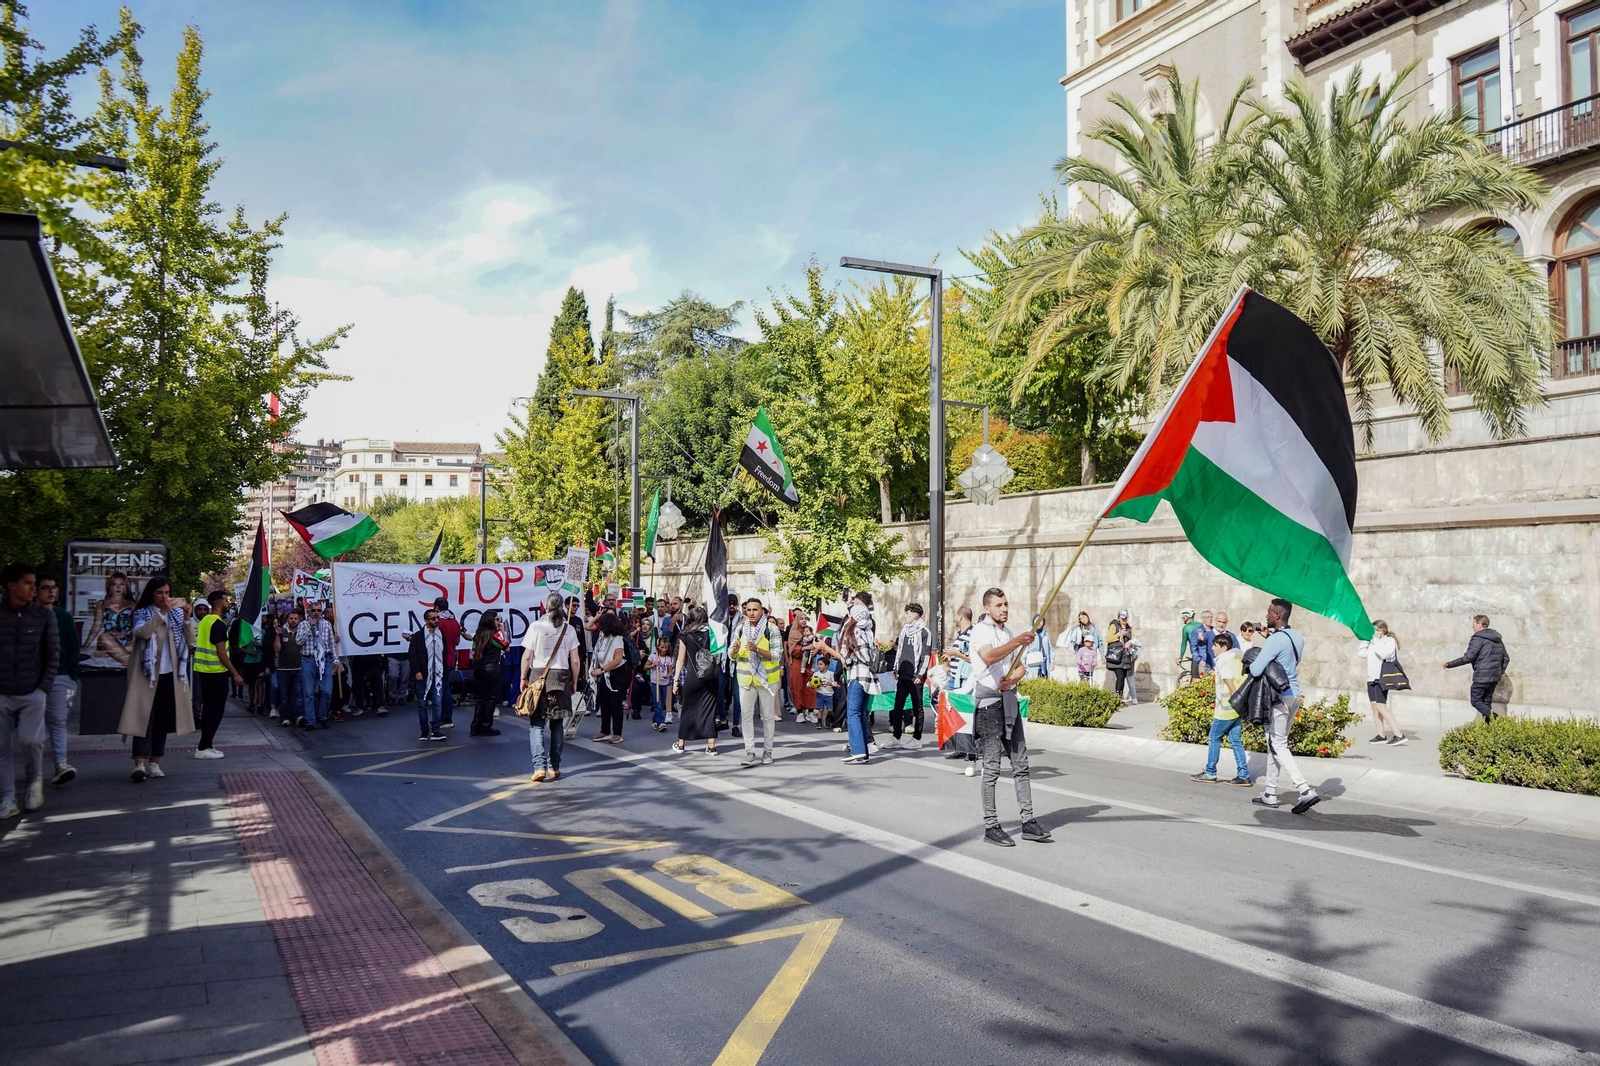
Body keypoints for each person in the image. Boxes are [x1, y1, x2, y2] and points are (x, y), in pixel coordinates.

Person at [970, 588, 1051, 846]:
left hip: (1009, 702)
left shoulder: (1005, 632)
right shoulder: (981, 631)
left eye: (1006, 604)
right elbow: (989, 656)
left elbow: (1019, 666)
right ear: (987, 608)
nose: (1004, 609)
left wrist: (1014, 676)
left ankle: (1028, 821)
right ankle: (991, 825)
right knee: (992, 768)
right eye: (999, 605)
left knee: (1021, 763)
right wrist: (1017, 642)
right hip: (989, 706)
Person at [119, 575, 193, 784]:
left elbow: (190, 641)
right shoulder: (142, 612)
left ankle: (155, 762)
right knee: (143, 717)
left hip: (171, 674)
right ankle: (139, 763)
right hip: (146, 675)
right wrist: (162, 612)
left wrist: (187, 618)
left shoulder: (177, 614)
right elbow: (142, 633)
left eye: (167, 593)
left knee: (162, 719)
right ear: (151, 594)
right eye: (159, 593)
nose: (164, 597)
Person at [1249, 598, 1319, 814]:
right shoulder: (1296, 637)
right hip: (1294, 694)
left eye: (1269, 613)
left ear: (1277, 616)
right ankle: (1270, 792)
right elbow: (1286, 659)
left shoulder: (1275, 640)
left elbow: (1255, 670)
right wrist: (1269, 639)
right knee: (1275, 742)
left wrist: (1253, 657)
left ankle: (1304, 789)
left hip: (1278, 698)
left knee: (1278, 744)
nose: (1266, 616)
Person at [0, 564, 58, 817]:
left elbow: (53, 652)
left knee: (32, 741)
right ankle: (7, 797)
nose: (33, 588)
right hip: (2, 691)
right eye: (28, 583)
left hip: (32, 690)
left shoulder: (42, 615)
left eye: (35, 583)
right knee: (1, 748)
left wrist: (43, 687)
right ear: (11, 586)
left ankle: (34, 782)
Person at [813, 591, 881, 765]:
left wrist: (824, 647)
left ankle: (858, 751)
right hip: (868, 677)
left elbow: (845, 658)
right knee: (860, 713)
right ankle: (863, 749)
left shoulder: (853, 630)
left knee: (852, 713)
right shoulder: (867, 628)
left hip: (857, 675)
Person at [521, 594, 579, 780]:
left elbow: (527, 657)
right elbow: (575, 660)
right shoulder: (568, 629)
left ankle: (539, 767)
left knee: (537, 723)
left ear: (545, 607)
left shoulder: (536, 627)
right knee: (557, 723)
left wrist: (523, 677)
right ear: (562, 607)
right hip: (561, 676)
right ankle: (555, 766)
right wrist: (575, 681)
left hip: (539, 676)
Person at [1190, 632, 1251, 786]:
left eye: (1215, 645)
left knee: (1214, 738)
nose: (1212, 648)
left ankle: (1210, 772)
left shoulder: (1224, 661)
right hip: (1236, 709)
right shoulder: (1237, 658)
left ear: (1224, 647)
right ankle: (1243, 775)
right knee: (1235, 740)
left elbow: (1230, 686)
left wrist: (1234, 700)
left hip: (1225, 708)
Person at [35, 575, 78, 786]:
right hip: (31, 678)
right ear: (35, 591)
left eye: (53, 588)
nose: (51, 592)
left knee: (58, 721)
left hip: (60, 676)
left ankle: (61, 764)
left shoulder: (63, 616)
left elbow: (73, 647)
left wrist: (72, 676)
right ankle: (33, 771)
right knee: (32, 729)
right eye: (45, 588)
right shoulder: (27, 616)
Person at [732, 598, 783, 765]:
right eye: (749, 610)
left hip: (767, 679)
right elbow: (731, 655)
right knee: (746, 716)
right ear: (745, 611)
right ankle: (750, 752)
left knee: (767, 716)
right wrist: (734, 651)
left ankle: (767, 752)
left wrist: (758, 650)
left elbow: (777, 654)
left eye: (755, 610)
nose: (752, 613)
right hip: (746, 678)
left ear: (762, 611)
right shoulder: (740, 629)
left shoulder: (772, 629)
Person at [193, 590, 243, 759]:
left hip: (203, 671)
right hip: (215, 673)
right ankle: (203, 747)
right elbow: (222, 653)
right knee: (215, 711)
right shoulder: (218, 623)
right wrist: (235, 673)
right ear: (219, 603)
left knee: (208, 710)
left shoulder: (205, 621)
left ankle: (207, 745)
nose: (229, 602)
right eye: (226, 600)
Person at [670, 605, 720, 756]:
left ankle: (681, 743)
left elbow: (680, 660)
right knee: (710, 710)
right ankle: (711, 746)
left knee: (688, 709)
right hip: (710, 676)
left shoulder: (685, 635)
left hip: (693, 676)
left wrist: (676, 680)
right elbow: (717, 655)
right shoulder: (712, 633)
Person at [1445, 614, 1511, 723]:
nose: (1472, 626)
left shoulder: (1478, 638)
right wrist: (1498, 672)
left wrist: (1449, 664)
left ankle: (1495, 718)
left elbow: (1468, 657)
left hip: (1482, 678)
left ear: (1480, 625)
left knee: (1475, 701)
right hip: (1494, 678)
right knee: (1486, 703)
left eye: (1474, 624)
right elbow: (1506, 658)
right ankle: (1489, 730)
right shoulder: (1497, 638)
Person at [886, 602, 933, 750]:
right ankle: (896, 737)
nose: (905, 615)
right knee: (897, 706)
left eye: (907, 613)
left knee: (917, 707)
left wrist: (920, 673)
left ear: (914, 614)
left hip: (915, 677)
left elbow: (926, 655)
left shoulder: (925, 632)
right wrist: (896, 669)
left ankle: (917, 738)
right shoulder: (905, 630)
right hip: (903, 675)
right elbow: (900, 651)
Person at [1358, 620, 1406, 744]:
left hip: (1381, 678)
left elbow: (1385, 654)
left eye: (1374, 630)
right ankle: (1381, 735)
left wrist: (1376, 641)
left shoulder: (1389, 641)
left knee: (1381, 706)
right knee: (1374, 707)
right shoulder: (1373, 642)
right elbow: (1362, 653)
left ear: (1381, 630)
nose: (1372, 633)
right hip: (1371, 678)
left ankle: (1399, 735)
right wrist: (1366, 640)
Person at [408, 607, 449, 742]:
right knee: (422, 704)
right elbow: (412, 655)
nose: (436, 620)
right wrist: (417, 671)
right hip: (423, 675)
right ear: (426, 621)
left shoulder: (441, 634)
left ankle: (436, 730)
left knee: (437, 703)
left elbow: (444, 653)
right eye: (433, 618)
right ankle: (424, 731)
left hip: (438, 674)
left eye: (437, 618)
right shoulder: (418, 636)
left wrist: (445, 671)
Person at [296, 602, 337, 729]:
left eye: (319, 610)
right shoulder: (303, 624)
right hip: (309, 660)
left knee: (327, 691)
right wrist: (310, 627)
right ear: (309, 612)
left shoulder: (327, 624)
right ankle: (310, 721)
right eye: (313, 610)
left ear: (321, 612)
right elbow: (298, 641)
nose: (316, 613)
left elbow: (331, 643)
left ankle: (322, 715)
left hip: (325, 660)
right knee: (309, 693)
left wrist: (335, 660)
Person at [590, 611, 628, 742]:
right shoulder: (602, 637)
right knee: (604, 702)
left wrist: (602, 670)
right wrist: (595, 667)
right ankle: (604, 730)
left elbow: (617, 659)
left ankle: (617, 733)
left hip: (617, 674)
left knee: (615, 704)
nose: (601, 627)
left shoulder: (618, 639)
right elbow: (597, 654)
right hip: (604, 674)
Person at [84, 570, 137, 664]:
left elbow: (137, 626)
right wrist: (85, 646)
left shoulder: (132, 605)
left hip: (126, 641)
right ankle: (132, 665)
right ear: (110, 587)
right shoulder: (101, 604)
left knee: (140, 644)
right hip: (107, 642)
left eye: (122, 584)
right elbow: (96, 627)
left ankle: (107, 654)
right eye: (114, 584)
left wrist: (128, 634)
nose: (118, 587)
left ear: (126, 587)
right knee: (105, 636)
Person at [469, 611, 507, 737]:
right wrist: (503, 632)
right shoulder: (495, 635)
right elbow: (506, 647)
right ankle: (486, 726)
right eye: (496, 619)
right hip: (492, 667)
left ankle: (475, 726)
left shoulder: (478, 634)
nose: (498, 622)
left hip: (478, 667)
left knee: (480, 698)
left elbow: (474, 652)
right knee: (490, 699)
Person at [227, 609, 266, 716]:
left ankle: (260, 704)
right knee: (251, 684)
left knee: (260, 682)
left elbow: (267, 647)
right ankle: (252, 703)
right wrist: (249, 652)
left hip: (259, 661)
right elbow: (241, 647)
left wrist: (259, 646)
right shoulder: (246, 633)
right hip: (249, 661)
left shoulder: (263, 632)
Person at [432, 597, 463, 728]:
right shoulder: (455, 622)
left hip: (439, 658)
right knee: (445, 688)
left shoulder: (438, 623)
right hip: (450, 658)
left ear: (436, 608)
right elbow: (457, 642)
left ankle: (445, 719)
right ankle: (443, 718)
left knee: (441, 689)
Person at [275, 609, 303, 727]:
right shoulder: (282, 632)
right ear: (287, 620)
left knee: (298, 693)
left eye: (295, 618)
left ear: (299, 620)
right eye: (291, 618)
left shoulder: (302, 633)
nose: (293, 621)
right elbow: (277, 649)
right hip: (284, 669)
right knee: (284, 695)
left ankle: (299, 716)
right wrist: (277, 635)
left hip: (299, 668)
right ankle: (285, 717)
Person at [650, 637, 675, 731]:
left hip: (664, 683)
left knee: (662, 703)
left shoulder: (669, 658)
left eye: (666, 648)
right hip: (655, 683)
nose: (664, 649)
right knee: (658, 704)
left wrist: (668, 675)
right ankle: (661, 723)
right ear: (658, 647)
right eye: (662, 647)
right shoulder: (653, 656)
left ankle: (655, 720)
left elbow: (670, 671)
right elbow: (645, 667)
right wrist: (653, 665)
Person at [1190, 610, 1216, 676]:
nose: (1210, 619)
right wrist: (1199, 660)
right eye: (1207, 617)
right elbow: (1193, 647)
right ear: (1203, 619)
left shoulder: (1214, 630)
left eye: (1211, 617)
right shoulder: (1197, 630)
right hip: (1203, 661)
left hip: (1213, 661)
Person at [1178, 607, 1200, 678]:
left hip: (1196, 656)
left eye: (1182, 617)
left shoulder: (1186, 628)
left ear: (1186, 617)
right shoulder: (1201, 625)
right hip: (1205, 656)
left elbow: (1184, 643)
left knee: (1195, 680)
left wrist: (1180, 657)